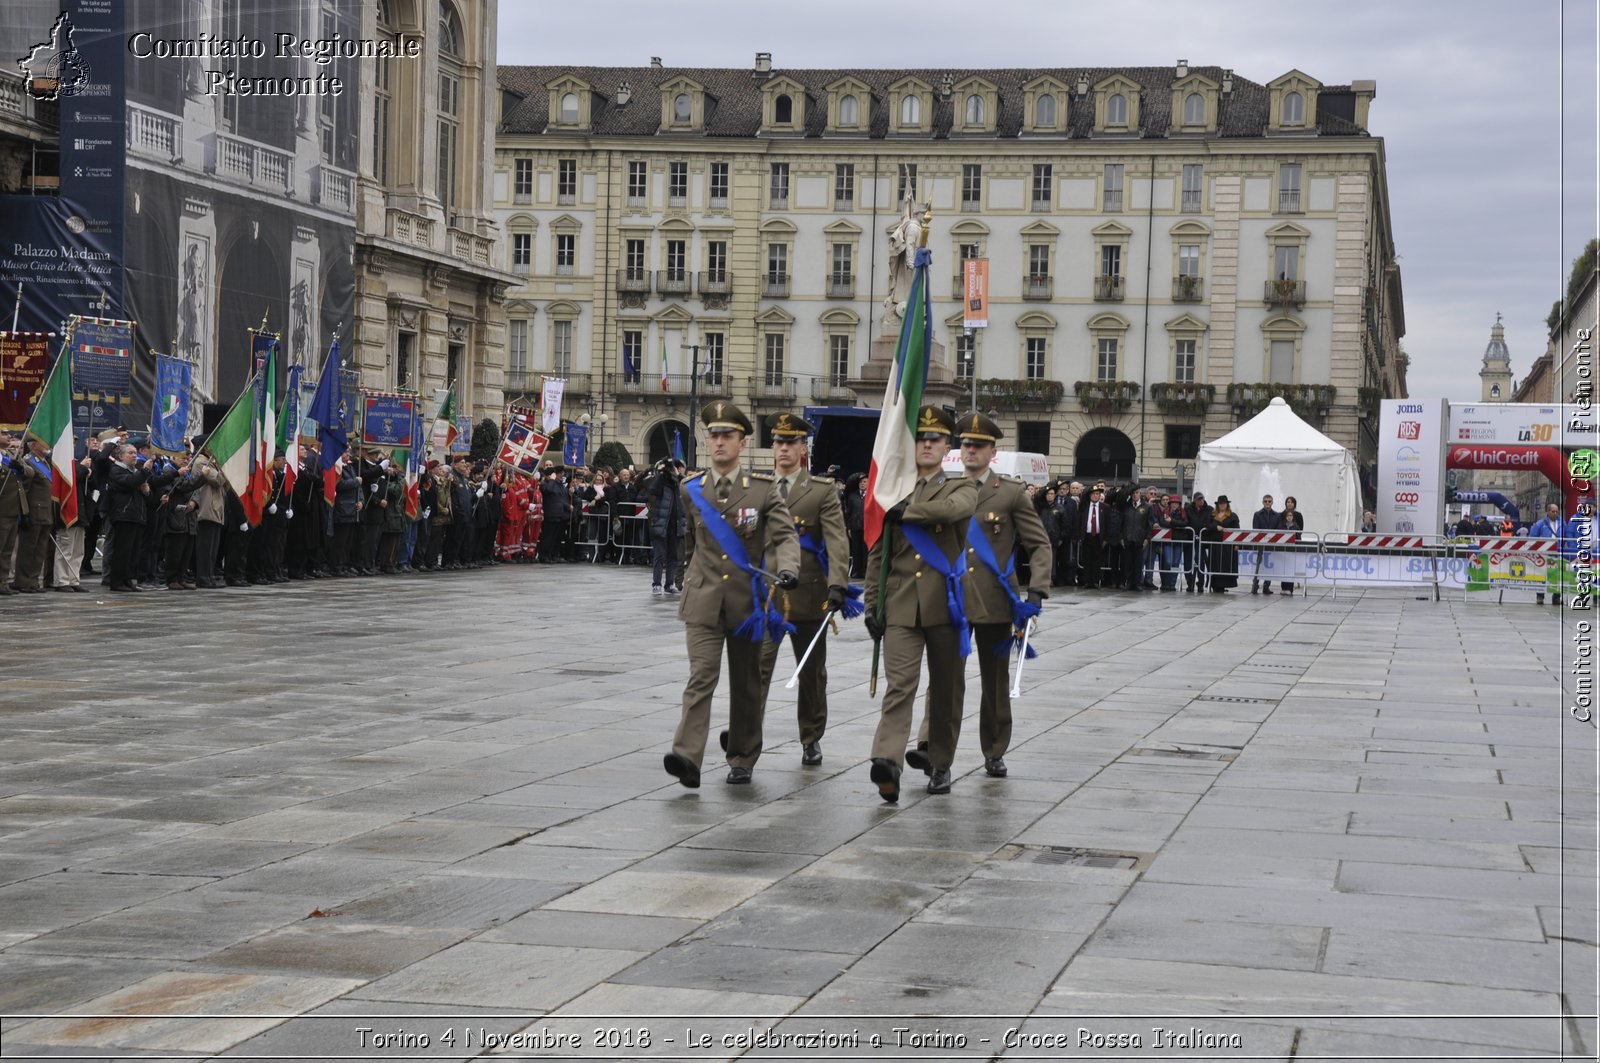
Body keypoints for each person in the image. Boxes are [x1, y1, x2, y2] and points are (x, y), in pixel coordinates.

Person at [663, 401, 800, 789]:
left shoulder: (762, 489)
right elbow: (690, 542)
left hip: (747, 603)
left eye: (727, 436)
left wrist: (787, 568)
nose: (719, 442)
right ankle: (687, 755)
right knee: (702, 675)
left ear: (742, 442)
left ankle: (742, 755)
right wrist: (686, 578)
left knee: (746, 682)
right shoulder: (691, 490)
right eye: (714, 436)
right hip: (703, 600)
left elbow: (785, 535)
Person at [864, 406, 977, 802]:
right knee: (900, 687)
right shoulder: (894, 489)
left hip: (946, 604)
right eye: (921, 437)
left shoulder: (961, 486)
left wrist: (906, 511)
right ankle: (887, 761)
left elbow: (953, 511)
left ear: (947, 446)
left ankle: (940, 762)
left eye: (935, 438)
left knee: (945, 690)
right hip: (900, 604)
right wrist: (870, 605)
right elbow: (879, 554)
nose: (927, 443)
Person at [954, 412, 1050, 779]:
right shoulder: (946, 488)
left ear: (992, 452)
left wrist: (1036, 591)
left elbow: (1039, 545)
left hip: (996, 600)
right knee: (947, 680)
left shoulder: (1009, 493)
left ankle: (994, 749)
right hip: (953, 599)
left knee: (994, 683)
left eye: (978, 445)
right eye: (965, 443)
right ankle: (933, 747)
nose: (971, 450)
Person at [756, 412, 850, 767]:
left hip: (809, 595)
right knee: (756, 671)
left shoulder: (820, 491)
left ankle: (811, 737)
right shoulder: (756, 488)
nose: (782, 448)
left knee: (811, 675)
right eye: (778, 442)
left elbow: (838, 542)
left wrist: (838, 584)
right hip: (765, 598)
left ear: (802, 448)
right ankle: (745, 746)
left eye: (790, 442)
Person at [10, 436, 55, 592]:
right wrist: (25, 513)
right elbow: (25, 489)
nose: (47, 444)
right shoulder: (28, 461)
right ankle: (22, 581)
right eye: (43, 441)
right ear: (34, 445)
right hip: (34, 511)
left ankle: (34, 580)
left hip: (46, 512)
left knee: (40, 549)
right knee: (27, 549)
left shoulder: (44, 463)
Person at [105, 443, 152, 592]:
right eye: (130, 453)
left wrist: (146, 490)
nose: (134, 456)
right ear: (120, 456)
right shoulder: (116, 470)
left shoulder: (134, 471)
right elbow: (129, 482)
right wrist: (144, 471)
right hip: (123, 514)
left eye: (134, 453)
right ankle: (117, 581)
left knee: (133, 551)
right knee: (122, 551)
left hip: (136, 515)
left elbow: (140, 486)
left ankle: (128, 580)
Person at [647, 459, 685, 595]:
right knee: (659, 556)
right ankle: (656, 584)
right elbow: (652, 490)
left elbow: (686, 485)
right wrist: (662, 473)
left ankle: (669, 584)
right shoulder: (662, 482)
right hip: (661, 524)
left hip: (675, 526)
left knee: (673, 556)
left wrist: (677, 473)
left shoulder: (678, 485)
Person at [1531, 503, 1564, 606]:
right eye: (1553, 511)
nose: (1555, 513)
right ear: (1548, 512)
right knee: (1542, 576)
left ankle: (1557, 597)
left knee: (1557, 577)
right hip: (1544, 555)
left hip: (1558, 554)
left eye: (1557, 511)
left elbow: (1567, 535)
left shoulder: (1562, 523)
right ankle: (1540, 596)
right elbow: (1532, 537)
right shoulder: (1540, 524)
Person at [1207, 494, 1239, 592]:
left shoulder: (1232, 516)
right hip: (1215, 545)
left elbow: (1237, 530)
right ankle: (1215, 585)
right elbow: (1207, 524)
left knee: (1226, 565)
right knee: (1215, 564)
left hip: (1227, 546)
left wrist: (1237, 543)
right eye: (1220, 504)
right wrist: (1215, 527)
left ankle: (1224, 585)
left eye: (1224, 503)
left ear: (1227, 504)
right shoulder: (1212, 515)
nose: (1222, 505)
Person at [1078, 483, 1108, 589]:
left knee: (1097, 560)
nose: (1096, 496)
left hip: (1098, 537)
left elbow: (1107, 524)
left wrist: (1105, 539)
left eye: (1098, 494)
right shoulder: (1084, 507)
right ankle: (1087, 580)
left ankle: (1095, 580)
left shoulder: (1104, 507)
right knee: (1087, 559)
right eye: (1094, 494)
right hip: (1087, 536)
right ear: (1090, 495)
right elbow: (1080, 521)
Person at [1250, 494, 1279, 594]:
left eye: (1269, 501)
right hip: (1260, 544)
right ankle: (1255, 585)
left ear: (1272, 502)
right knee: (1258, 564)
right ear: (1263, 502)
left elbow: (1277, 530)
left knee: (1269, 566)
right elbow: (1255, 529)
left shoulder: (1277, 515)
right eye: (1265, 501)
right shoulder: (1257, 514)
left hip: (1271, 544)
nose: (1267, 503)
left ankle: (1266, 586)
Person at [1278, 495, 1305, 594]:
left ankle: (1290, 588)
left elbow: (1301, 529)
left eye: (1291, 502)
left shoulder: (1298, 515)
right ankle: (1283, 587)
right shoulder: (1281, 514)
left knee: (1291, 566)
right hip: (1283, 546)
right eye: (1288, 502)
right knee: (1283, 567)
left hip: (1293, 545)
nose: (1290, 503)